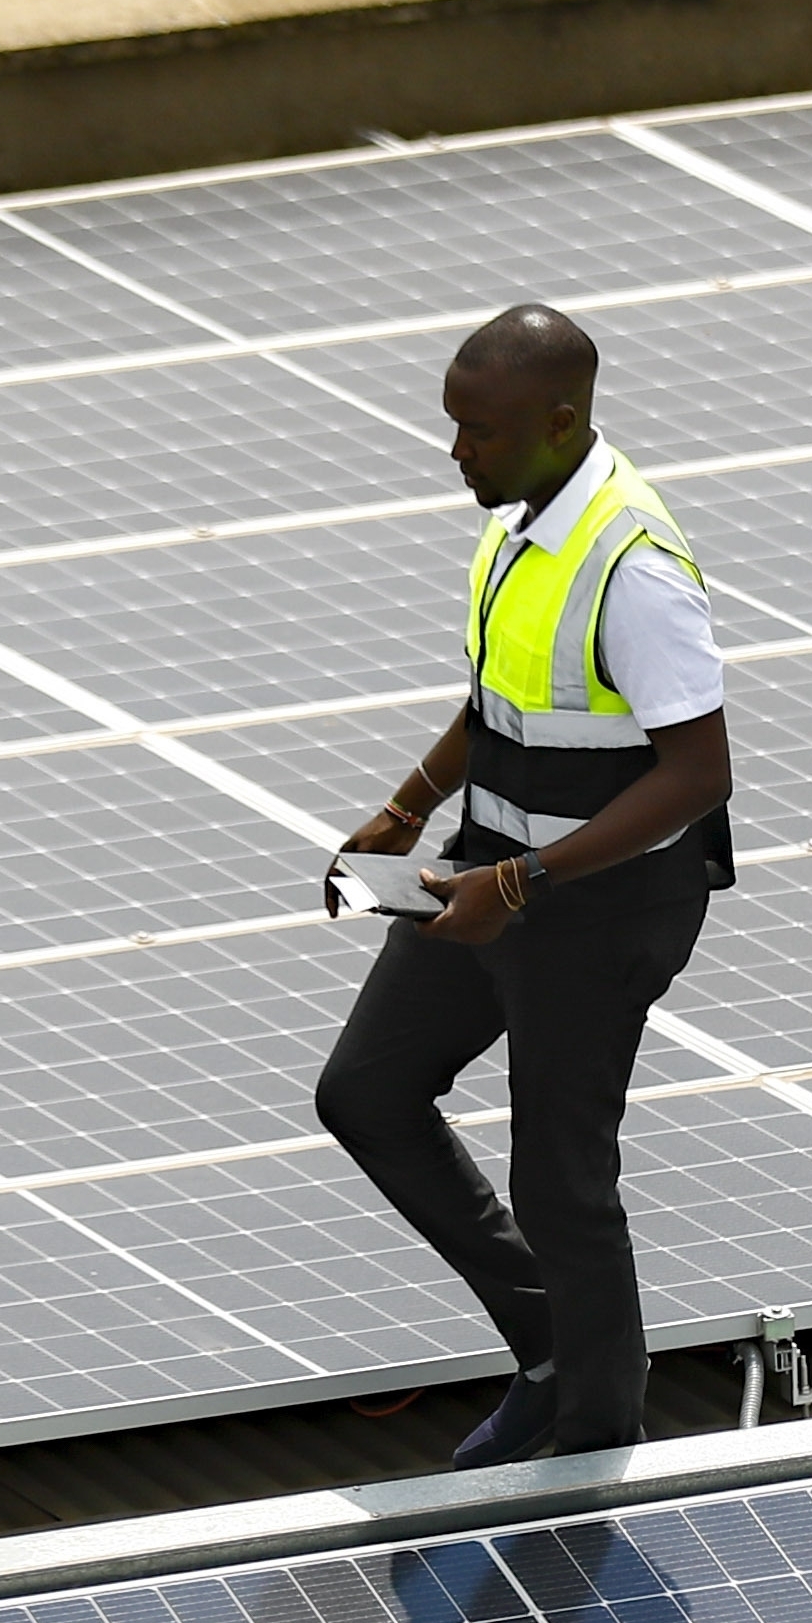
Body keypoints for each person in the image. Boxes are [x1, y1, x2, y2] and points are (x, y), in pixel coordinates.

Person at [317, 303, 735, 1465]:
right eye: (453, 428)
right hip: (489, 869)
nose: (458, 453)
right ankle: (556, 1343)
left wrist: (528, 876)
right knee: (366, 1093)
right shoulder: (516, 522)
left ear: (560, 423)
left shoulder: (634, 568)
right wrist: (407, 808)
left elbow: (698, 774)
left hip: (599, 906)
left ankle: (595, 1437)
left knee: (560, 1178)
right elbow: (500, 700)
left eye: (481, 433)